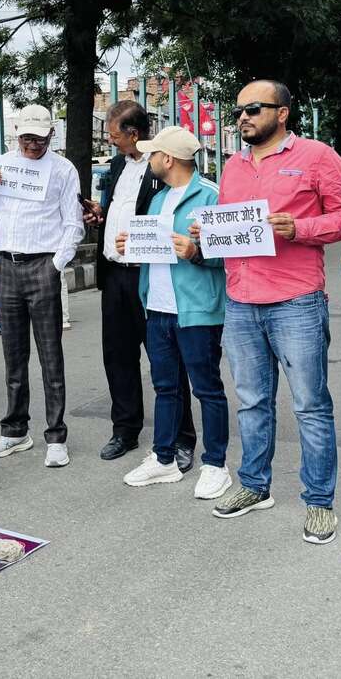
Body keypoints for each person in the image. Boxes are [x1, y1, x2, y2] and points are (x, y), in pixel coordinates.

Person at [211, 80, 341, 546]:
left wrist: (300, 228)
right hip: (240, 300)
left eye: (254, 108)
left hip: (295, 300)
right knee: (251, 401)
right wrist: (205, 234)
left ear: (283, 112)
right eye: (239, 110)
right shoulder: (232, 166)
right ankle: (254, 485)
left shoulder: (316, 156)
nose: (243, 117)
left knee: (310, 405)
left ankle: (319, 502)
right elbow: (228, 226)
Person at [114, 127, 232, 499]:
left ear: (167, 159)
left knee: (207, 389)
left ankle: (216, 465)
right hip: (158, 308)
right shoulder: (157, 199)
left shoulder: (212, 195)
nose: (148, 159)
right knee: (165, 387)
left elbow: (232, 254)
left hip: (197, 311)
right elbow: (154, 250)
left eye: (152, 154)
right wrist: (132, 246)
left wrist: (197, 252)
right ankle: (163, 458)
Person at [85, 100, 197, 466]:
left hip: (148, 274)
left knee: (165, 359)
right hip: (114, 274)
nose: (110, 140)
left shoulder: (161, 165)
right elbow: (122, 208)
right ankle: (125, 429)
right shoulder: (118, 164)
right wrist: (101, 214)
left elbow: (171, 215)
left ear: (133, 134)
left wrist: (139, 241)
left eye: (114, 135)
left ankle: (181, 436)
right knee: (118, 356)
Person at [0, 105, 84, 468]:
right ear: (16, 135)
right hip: (7, 263)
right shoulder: (3, 163)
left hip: (43, 263)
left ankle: (56, 435)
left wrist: (56, 264)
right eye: (26, 138)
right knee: (13, 354)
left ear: (50, 135)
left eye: (39, 139)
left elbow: (73, 223)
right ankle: (15, 430)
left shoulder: (63, 169)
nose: (32, 145)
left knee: (50, 355)